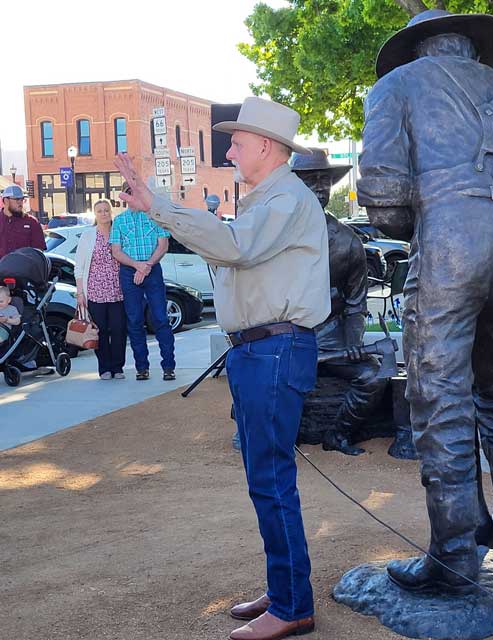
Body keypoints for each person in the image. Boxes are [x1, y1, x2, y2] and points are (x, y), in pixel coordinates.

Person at [358, 10, 493, 593]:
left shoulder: (395, 87)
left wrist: (443, 225)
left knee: (440, 394)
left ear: (417, 49)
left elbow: (383, 199)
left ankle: (455, 549)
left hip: (451, 238)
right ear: (473, 48)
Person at [114, 96, 330, 640]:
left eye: (236, 141)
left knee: (271, 480)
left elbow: (232, 248)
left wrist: (156, 205)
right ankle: (285, 592)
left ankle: (291, 605)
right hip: (261, 351)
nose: (228, 148)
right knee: (267, 479)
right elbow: (233, 254)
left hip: (273, 352)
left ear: (265, 146)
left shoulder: (284, 199)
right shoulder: (271, 199)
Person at [290, 147, 387, 455]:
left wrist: (354, 342)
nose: (319, 187)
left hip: (332, 341)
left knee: (374, 376)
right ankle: (283, 437)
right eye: (310, 180)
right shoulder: (274, 234)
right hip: (287, 338)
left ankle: (338, 434)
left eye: (324, 180)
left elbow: (356, 303)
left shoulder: (348, 241)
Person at [109, 182, 175, 381]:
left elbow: (163, 245)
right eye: (129, 193)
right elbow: (116, 251)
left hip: (152, 270)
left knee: (161, 319)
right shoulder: (119, 221)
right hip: (130, 273)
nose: (133, 197)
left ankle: (168, 367)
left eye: (136, 193)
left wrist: (147, 266)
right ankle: (141, 367)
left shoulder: (155, 218)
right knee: (135, 321)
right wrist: (138, 266)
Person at [74, 200, 127, 380]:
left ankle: (118, 367)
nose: (104, 213)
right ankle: (104, 367)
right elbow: (79, 267)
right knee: (100, 331)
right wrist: (80, 293)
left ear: (111, 212)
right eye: (100, 211)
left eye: (106, 210)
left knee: (119, 329)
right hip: (95, 291)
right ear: (95, 214)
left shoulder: (118, 232)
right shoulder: (88, 236)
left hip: (118, 290)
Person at [0, 185, 46, 259]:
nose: (20, 203)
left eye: (22, 199)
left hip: (24, 269)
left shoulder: (32, 222)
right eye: (17, 199)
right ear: (6, 200)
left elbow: (39, 251)